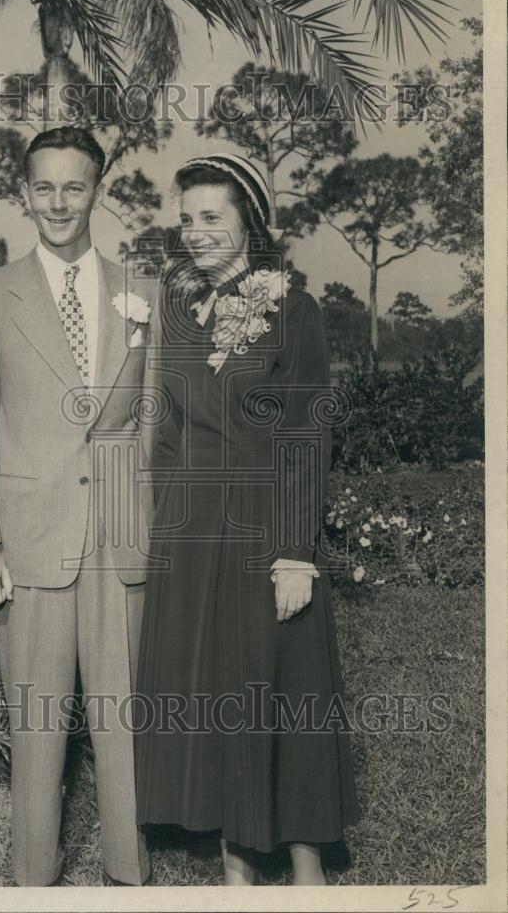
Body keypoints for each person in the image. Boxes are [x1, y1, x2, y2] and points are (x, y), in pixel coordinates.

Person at [134, 153, 360, 885]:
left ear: (250, 225)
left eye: (212, 218)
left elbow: (305, 432)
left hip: (265, 527)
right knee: (212, 691)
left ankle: (306, 866)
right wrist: (163, 520)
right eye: (187, 218)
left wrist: (296, 551)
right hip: (193, 531)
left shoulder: (292, 307)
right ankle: (233, 861)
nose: (195, 233)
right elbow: (165, 427)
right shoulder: (175, 304)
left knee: (281, 686)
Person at [0, 125, 157, 887]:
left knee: (123, 720)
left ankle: (129, 874)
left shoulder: (145, 292)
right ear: (24, 195)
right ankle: (33, 878)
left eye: (75, 186)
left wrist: (151, 532)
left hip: (120, 540)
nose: (59, 202)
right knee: (37, 723)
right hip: (30, 544)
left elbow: (155, 429)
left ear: (97, 190)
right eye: (45, 187)